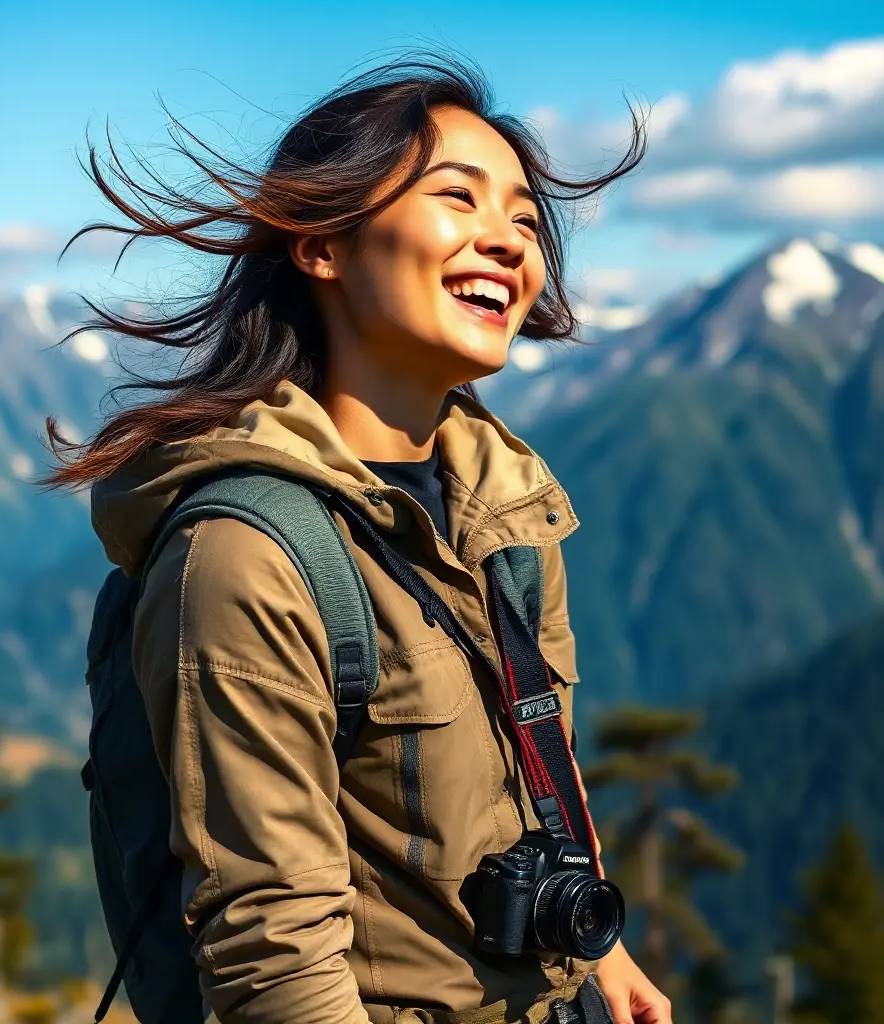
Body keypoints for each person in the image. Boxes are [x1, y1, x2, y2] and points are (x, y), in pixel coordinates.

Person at [45, 55, 670, 1024]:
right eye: (458, 199)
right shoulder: (247, 555)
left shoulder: (503, 512)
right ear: (323, 246)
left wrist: (596, 953)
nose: (507, 242)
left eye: (521, 218)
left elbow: (530, 768)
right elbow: (275, 962)